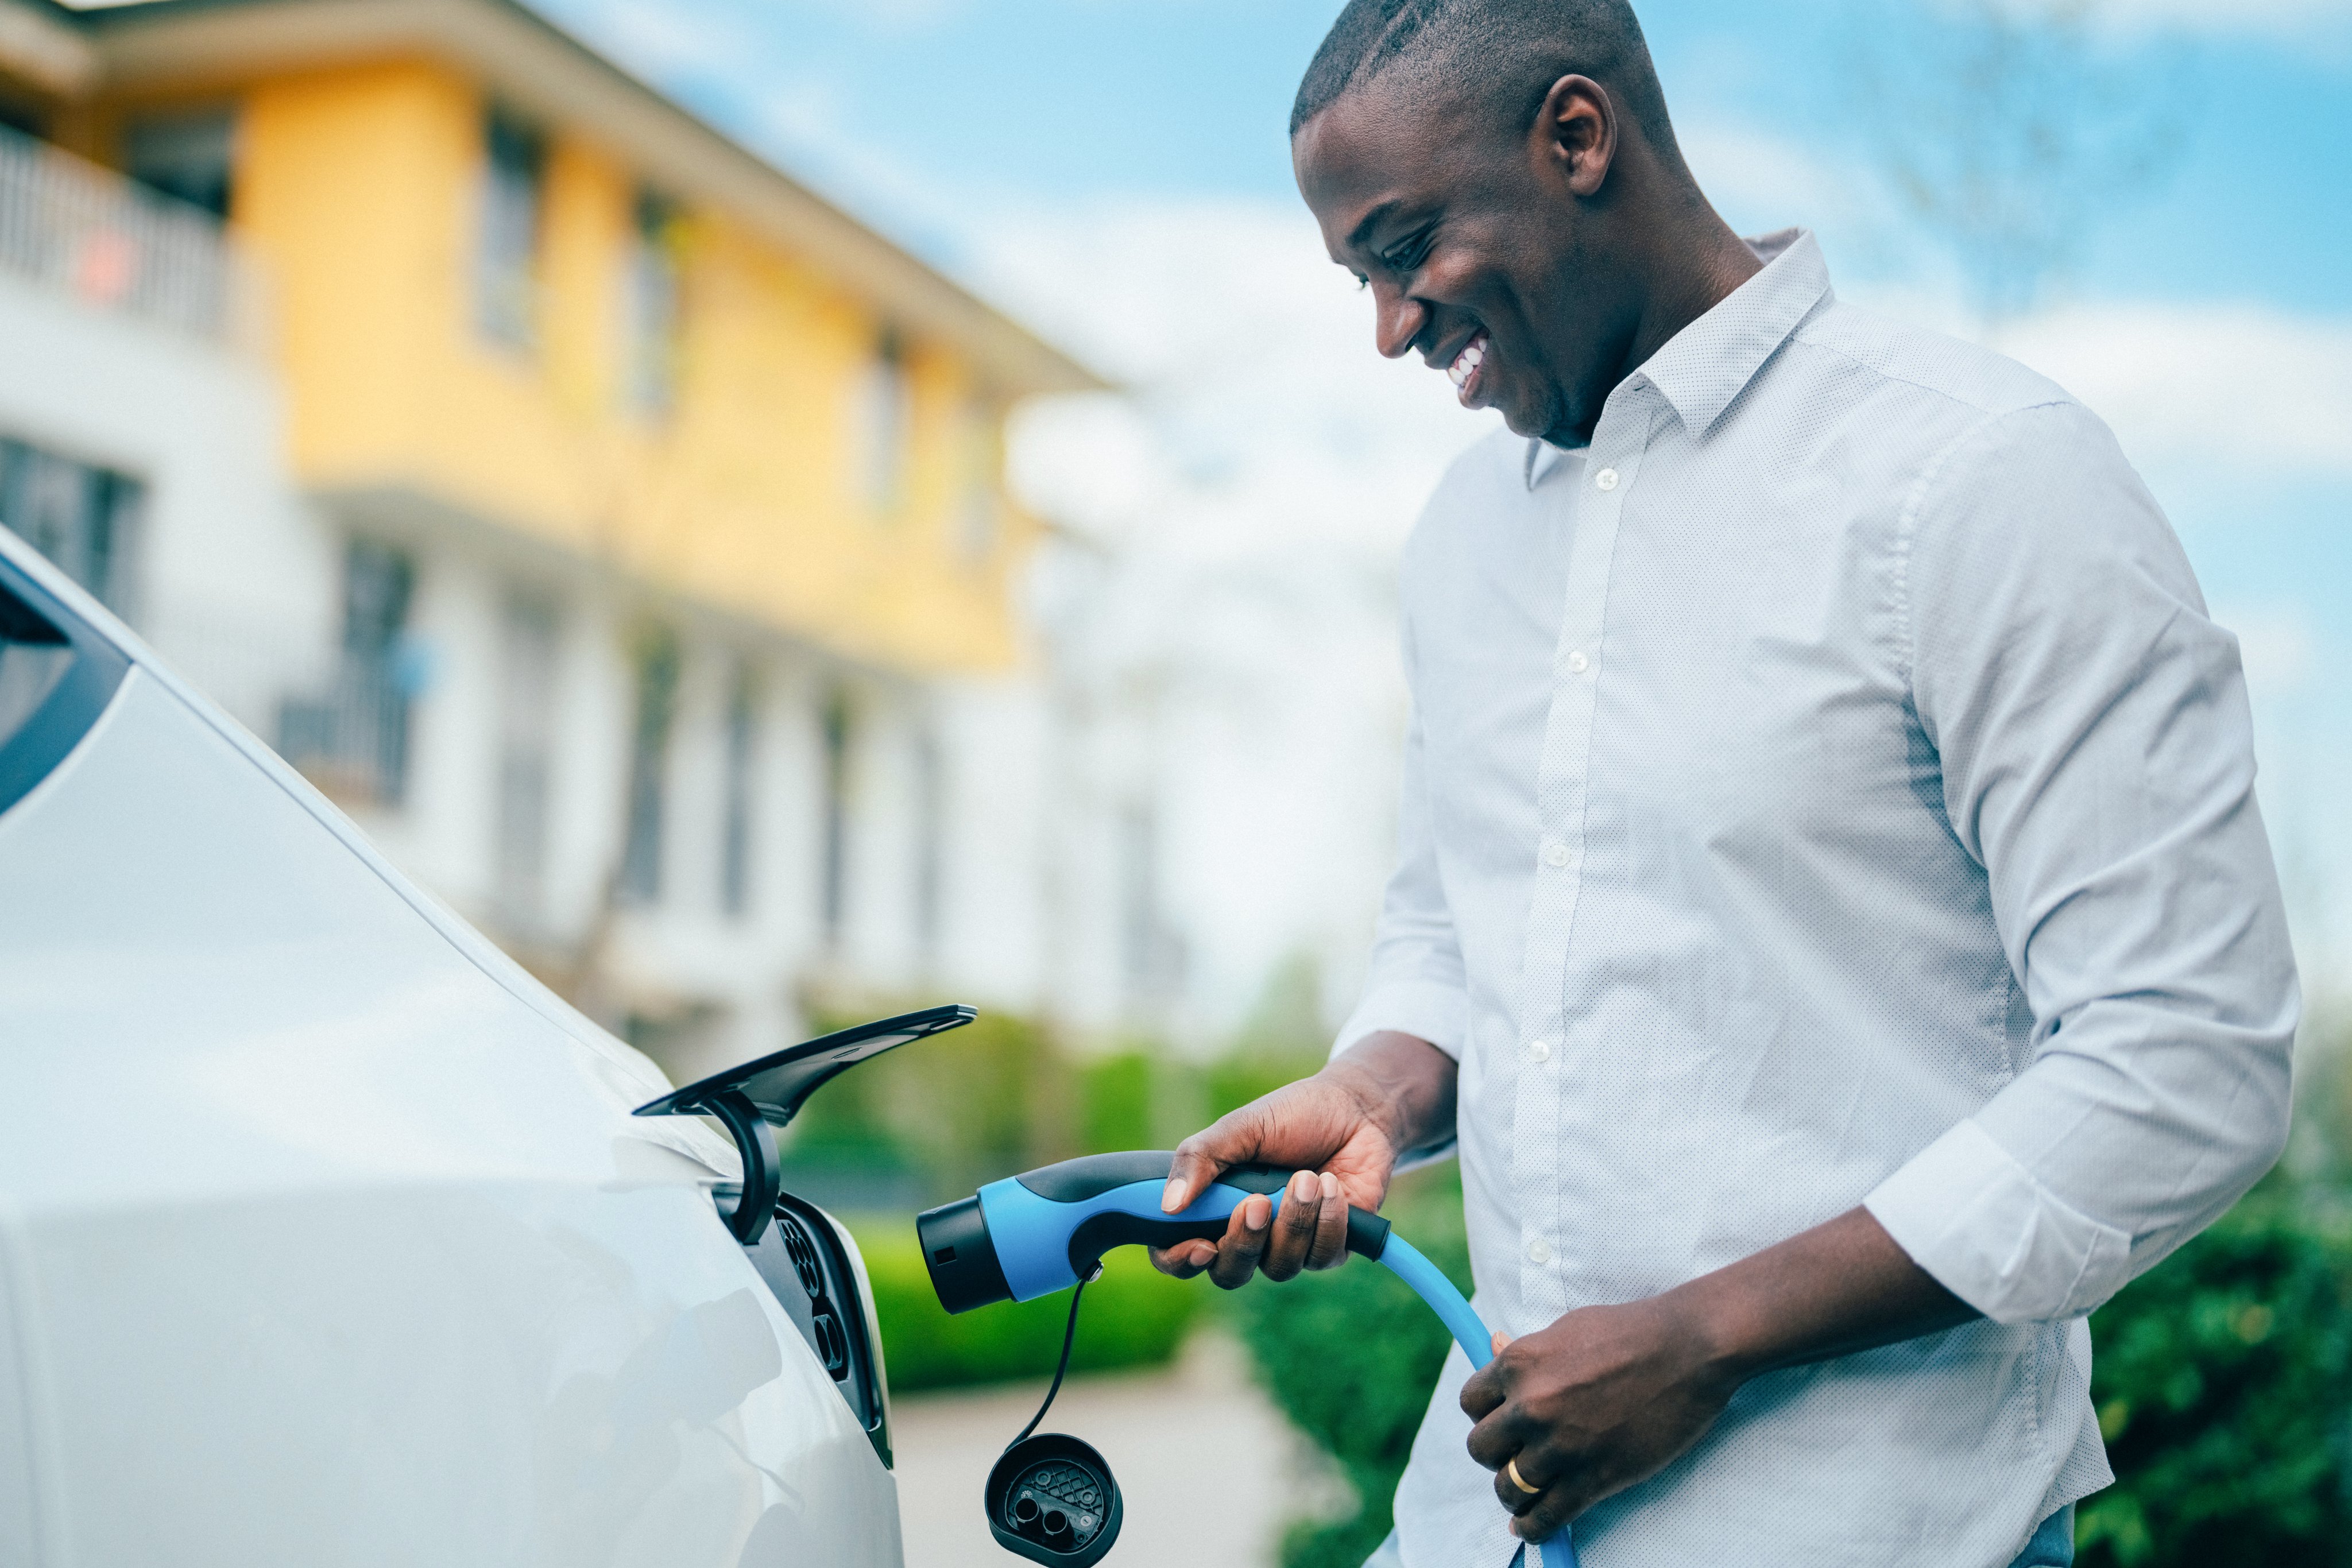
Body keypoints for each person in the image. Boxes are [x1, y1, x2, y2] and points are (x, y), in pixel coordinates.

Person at [1147, 3, 2301, 1565]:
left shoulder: (1982, 474)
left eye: (1405, 248)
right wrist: (1374, 1095)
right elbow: (1453, 932)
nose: (1391, 327)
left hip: (1882, 1530)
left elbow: (2187, 1053)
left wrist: (1706, 1338)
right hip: (1479, 1527)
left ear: (1576, 138)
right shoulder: (1465, 536)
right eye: (1360, 277)